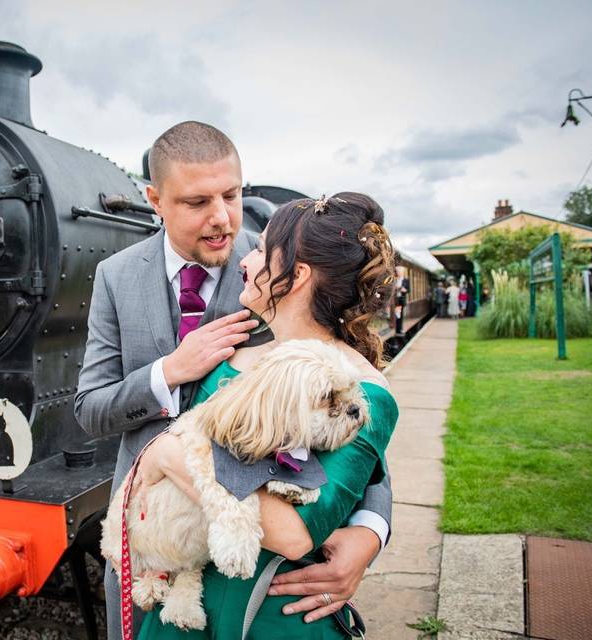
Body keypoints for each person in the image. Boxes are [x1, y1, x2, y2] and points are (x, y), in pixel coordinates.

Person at [75, 121, 391, 639]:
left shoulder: (282, 269)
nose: (221, 217)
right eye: (197, 202)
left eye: (232, 194)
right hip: (154, 536)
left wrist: (369, 531)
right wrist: (170, 371)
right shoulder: (116, 275)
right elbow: (90, 408)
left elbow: (358, 413)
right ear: (155, 199)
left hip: (259, 560)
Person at [134, 194, 399, 639]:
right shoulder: (227, 357)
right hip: (182, 599)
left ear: (296, 275)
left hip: (269, 610)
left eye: (260, 250)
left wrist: (166, 454)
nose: (247, 255)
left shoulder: (364, 391)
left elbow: (294, 532)